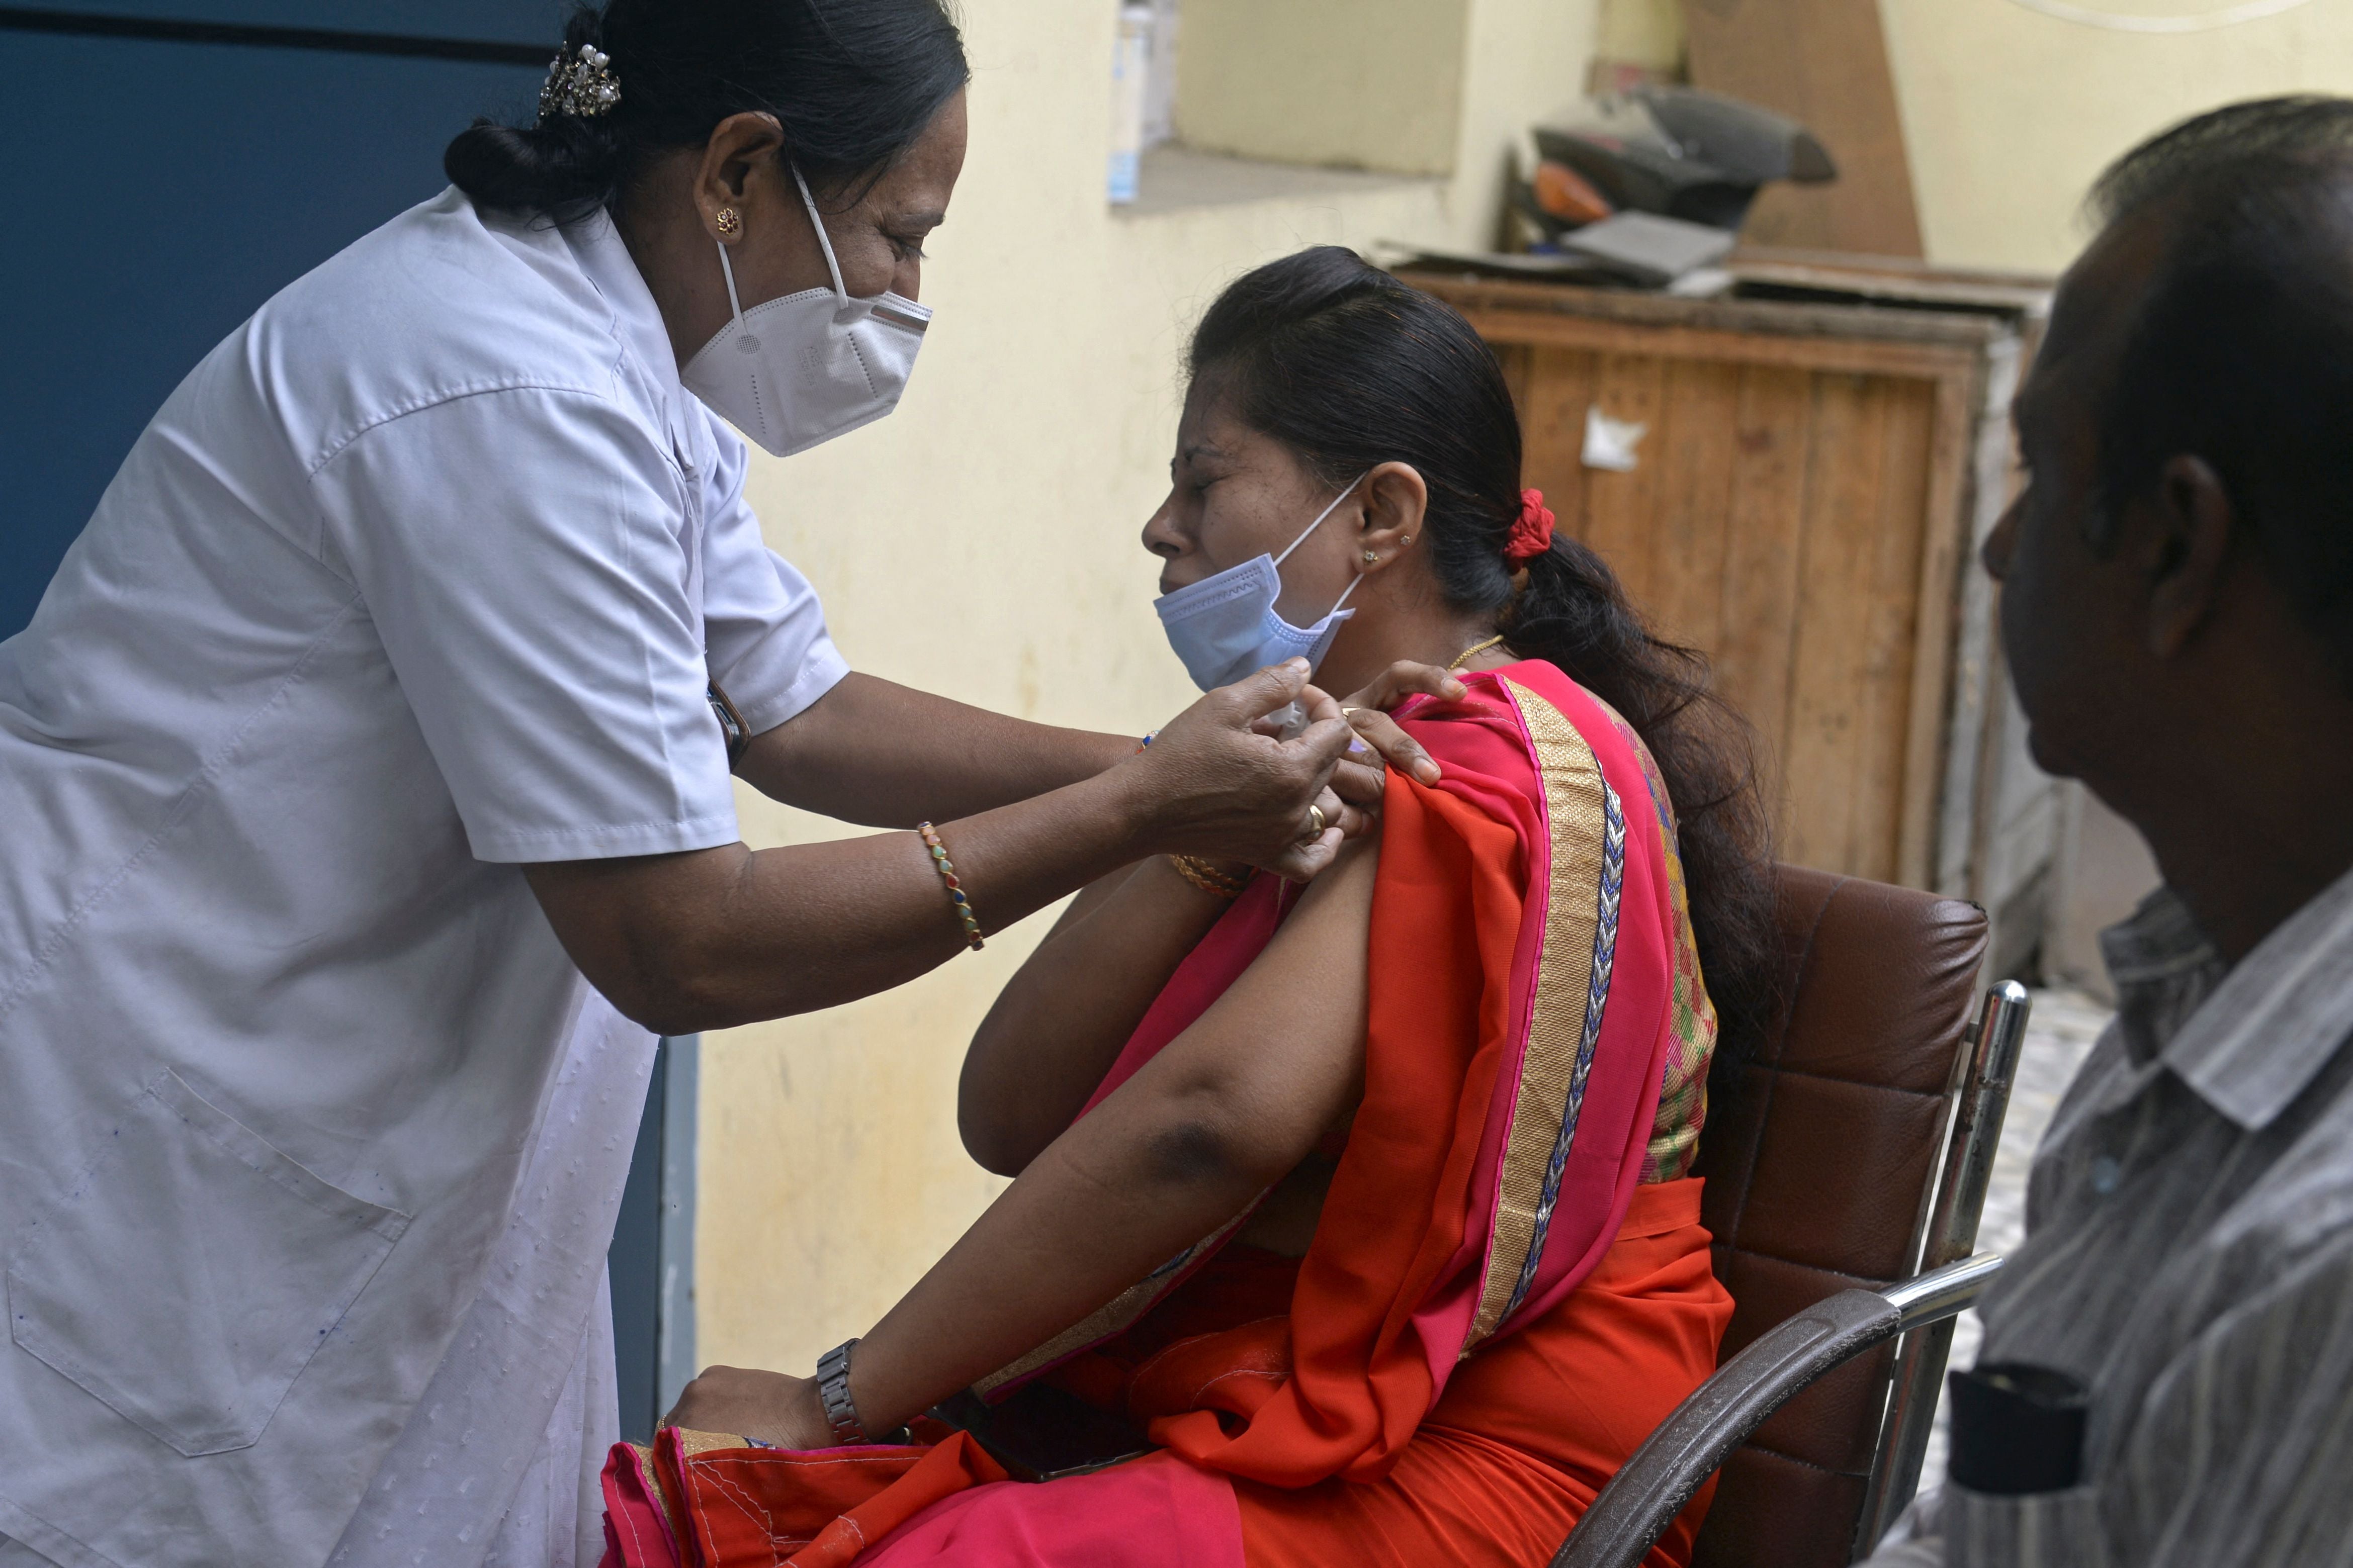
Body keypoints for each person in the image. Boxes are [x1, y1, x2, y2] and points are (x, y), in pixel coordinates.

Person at [0, 9, 1445, 1567]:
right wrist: (1143, 812)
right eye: (900, 234)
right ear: (741, 171)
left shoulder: (627, 359)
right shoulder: (508, 392)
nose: (907, 294)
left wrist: (1181, 769)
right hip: (168, 1064)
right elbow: (682, 941)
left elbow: (797, 708)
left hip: (341, 1089)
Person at [634, 247, 1783, 1568]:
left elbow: (1208, 1127)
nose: (1160, 527)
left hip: (1486, 1432)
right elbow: (1009, 1112)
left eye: (1203, 480)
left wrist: (838, 1399)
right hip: (1267, 1386)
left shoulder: (1482, 761)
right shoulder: (1302, 761)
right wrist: (1190, 827)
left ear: (1380, 516)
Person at [1854, 97, 2353, 1566]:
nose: (2001, 546)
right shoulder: (2198, 1001)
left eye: (2040, 471)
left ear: (2176, 546)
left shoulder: (2324, 1266)